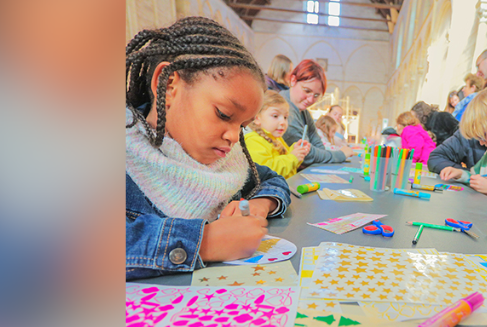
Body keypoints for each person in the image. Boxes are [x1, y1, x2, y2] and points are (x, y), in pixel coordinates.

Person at [125, 17, 291, 279]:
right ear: (168, 86)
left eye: (243, 126)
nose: (234, 136)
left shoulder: (227, 160)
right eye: (224, 114)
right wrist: (205, 242)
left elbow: (271, 179)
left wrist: (261, 204)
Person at [280, 60, 353, 166]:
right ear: (293, 80)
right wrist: (340, 155)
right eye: (307, 91)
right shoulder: (283, 109)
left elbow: (318, 145)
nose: (310, 100)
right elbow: (306, 154)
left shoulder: (304, 112)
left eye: (316, 95)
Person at [244, 90, 311, 179]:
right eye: (275, 116)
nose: (283, 122)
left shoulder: (277, 138)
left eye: (285, 117)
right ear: (256, 118)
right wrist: (293, 157)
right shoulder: (253, 141)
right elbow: (266, 171)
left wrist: (296, 151)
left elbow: (287, 166)